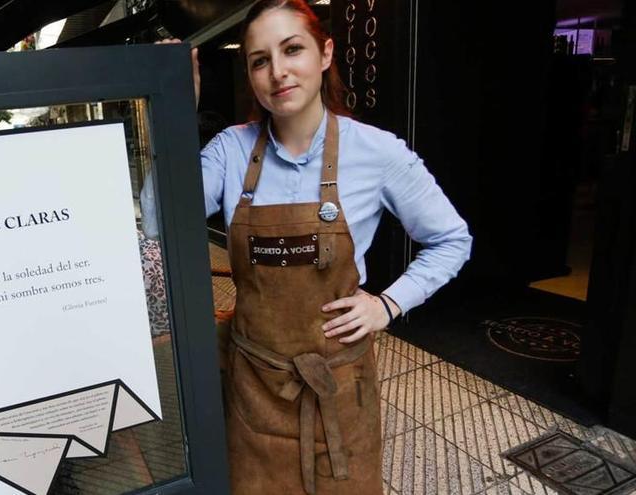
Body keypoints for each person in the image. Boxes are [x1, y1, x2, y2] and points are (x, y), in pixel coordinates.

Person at [142, 1, 472, 493]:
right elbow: (156, 219)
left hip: (338, 391)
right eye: (259, 60)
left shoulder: (376, 152)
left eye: (292, 49)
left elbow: (452, 239)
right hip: (255, 387)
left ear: (325, 53)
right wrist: (172, 112)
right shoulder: (231, 151)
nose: (278, 72)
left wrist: (388, 303)